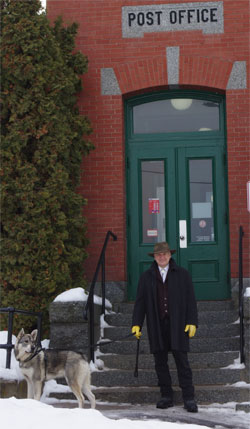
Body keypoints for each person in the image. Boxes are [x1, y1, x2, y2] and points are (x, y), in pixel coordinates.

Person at [131, 241, 198, 412]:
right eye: (158, 254)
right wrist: (136, 324)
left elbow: (190, 300)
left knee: (182, 361)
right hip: (156, 324)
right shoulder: (146, 277)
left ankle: (189, 398)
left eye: (165, 254)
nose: (162, 257)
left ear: (170, 255)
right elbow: (140, 303)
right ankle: (166, 396)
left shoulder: (182, 274)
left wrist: (192, 321)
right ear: (154, 257)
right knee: (160, 362)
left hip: (179, 325)